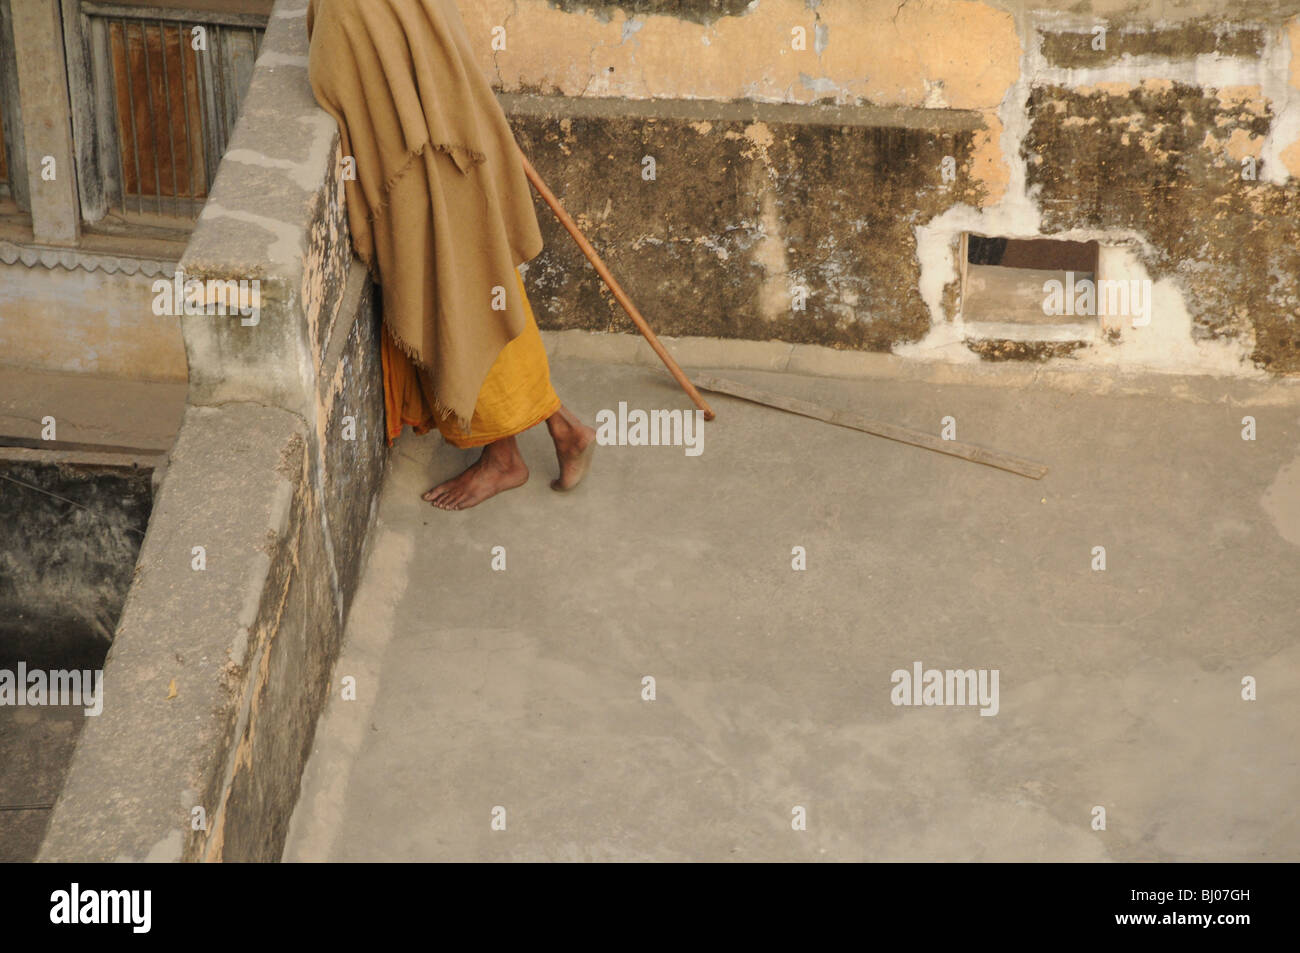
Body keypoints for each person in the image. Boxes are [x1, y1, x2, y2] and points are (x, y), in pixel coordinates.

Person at [306, 0, 594, 510]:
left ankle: (511, 456)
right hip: (453, 144)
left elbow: (334, 79)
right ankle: (558, 426)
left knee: (461, 304)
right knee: (482, 290)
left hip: (426, 168)